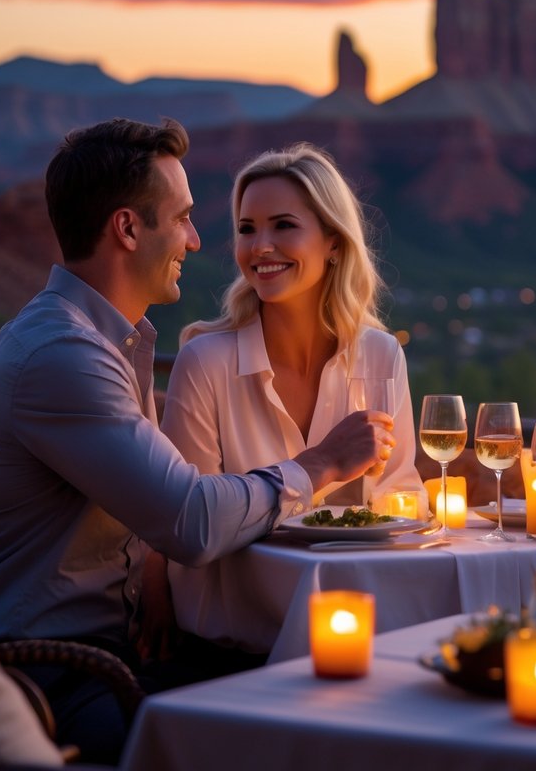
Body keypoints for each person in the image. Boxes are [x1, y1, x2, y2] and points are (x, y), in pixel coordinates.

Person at [0, 119, 392, 764]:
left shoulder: (102, 342)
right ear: (127, 229)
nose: (195, 239)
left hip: (99, 655)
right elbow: (190, 519)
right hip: (48, 678)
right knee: (310, 730)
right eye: (181, 218)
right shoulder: (64, 355)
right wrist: (320, 463)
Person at [159, 143, 423, 637]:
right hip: (232, 640)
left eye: (283, 225)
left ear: (334, 243)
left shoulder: (381, 356)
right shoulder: (205, 363)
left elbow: (400, 498)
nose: (260, 246)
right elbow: (188, 519)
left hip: (354, 629)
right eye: (246, 229)